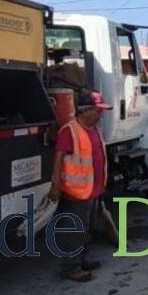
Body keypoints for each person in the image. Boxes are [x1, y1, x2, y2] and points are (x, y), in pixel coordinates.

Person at [49, 90, 112, 282]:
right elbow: (59, 157)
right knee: (74, 231)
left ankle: (82, 259)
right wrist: (56, 185)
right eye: (97, 110)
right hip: (75, 192)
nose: (101, 114)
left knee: (86, 229)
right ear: (84, 111)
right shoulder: (70, 131)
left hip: (92, 190)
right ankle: (70, 267)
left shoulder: (94, 130)